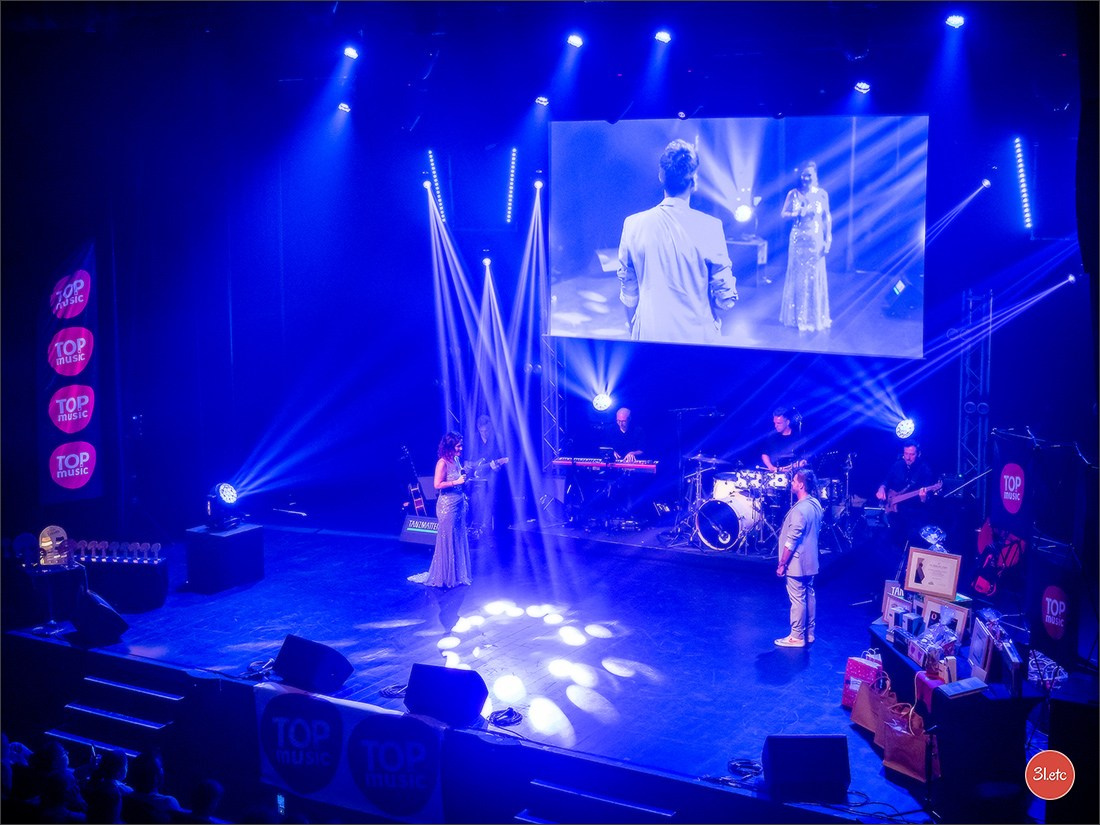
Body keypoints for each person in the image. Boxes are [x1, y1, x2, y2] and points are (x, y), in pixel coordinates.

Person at [617, 139, 739, 344]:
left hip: (649, 336)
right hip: (697, 341)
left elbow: (629, 293)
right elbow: (725, 299)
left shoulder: (633, 224)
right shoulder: (710, 226)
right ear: (695, 181)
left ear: (660, 176)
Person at [779, 161, 832, 332]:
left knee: (814, 276)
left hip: (815, 239)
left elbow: (827, 217)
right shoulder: (793, 194)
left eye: (809, 175)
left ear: (815, 175)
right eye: (803, 175)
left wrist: (828, 239)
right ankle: (797, 317)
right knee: (798, 276)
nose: (806, 178)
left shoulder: (822, 194)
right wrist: (796, 213)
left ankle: (815, 317)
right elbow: (783, 214)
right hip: (797, 239)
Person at [775, 469, 824, 647]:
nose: (792, 483)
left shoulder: (800, 510)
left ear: (801, 484)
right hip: (811, 561)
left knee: (797, 599)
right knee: (809, 595)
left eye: (794, 481)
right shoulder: (815, 504)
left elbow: (791, 542)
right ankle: (809, 632)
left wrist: (782, 564)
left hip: (796, 562)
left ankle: (796, 636)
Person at [423, 432, 472, 588]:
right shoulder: (442, 463)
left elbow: (458, 479)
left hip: (458, 505)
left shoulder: (456, 460)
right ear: (450, 446)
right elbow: (437, 485)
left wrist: (464, 479)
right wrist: (456, 482)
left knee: (457, 537)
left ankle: (457, 574)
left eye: (461, 445)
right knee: (447, 538)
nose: (461, 449)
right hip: (447, 506)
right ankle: (445, 575)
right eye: (458, 446)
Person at [876, 440, 938, 555]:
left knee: (910, 543)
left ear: (918, 454)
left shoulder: (925, 469)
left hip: (913, 513)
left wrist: (923, 498)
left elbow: (928, 500)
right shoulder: (898, 465)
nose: (908, 458)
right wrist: (882, 488)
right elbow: (887, 480)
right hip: (894, 511)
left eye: (912, 454)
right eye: (906, 454)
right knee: (887, 541)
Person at [466, 413, 507, 537]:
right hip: (475, 474)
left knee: (489, 494)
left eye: (487, 430)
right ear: (478, 429)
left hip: (491, 474)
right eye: (482, 431)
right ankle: (472, 524)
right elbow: (468, 459)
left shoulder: (498, 438)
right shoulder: (474, 438)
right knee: (472, 496)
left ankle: (486, 525)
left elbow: (502, 459)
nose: (485, 433)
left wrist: (497, 467)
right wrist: (468, 464)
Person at [761, 407, 810, 473]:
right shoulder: (771, 436)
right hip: (774, 474)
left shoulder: (798, 438)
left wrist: (801, 463)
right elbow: (765, 453)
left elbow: (806, 456)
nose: (776, 426)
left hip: (793, 473)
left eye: (779, 423)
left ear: (787, 422)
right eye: (774, 423)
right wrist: (770, 467)